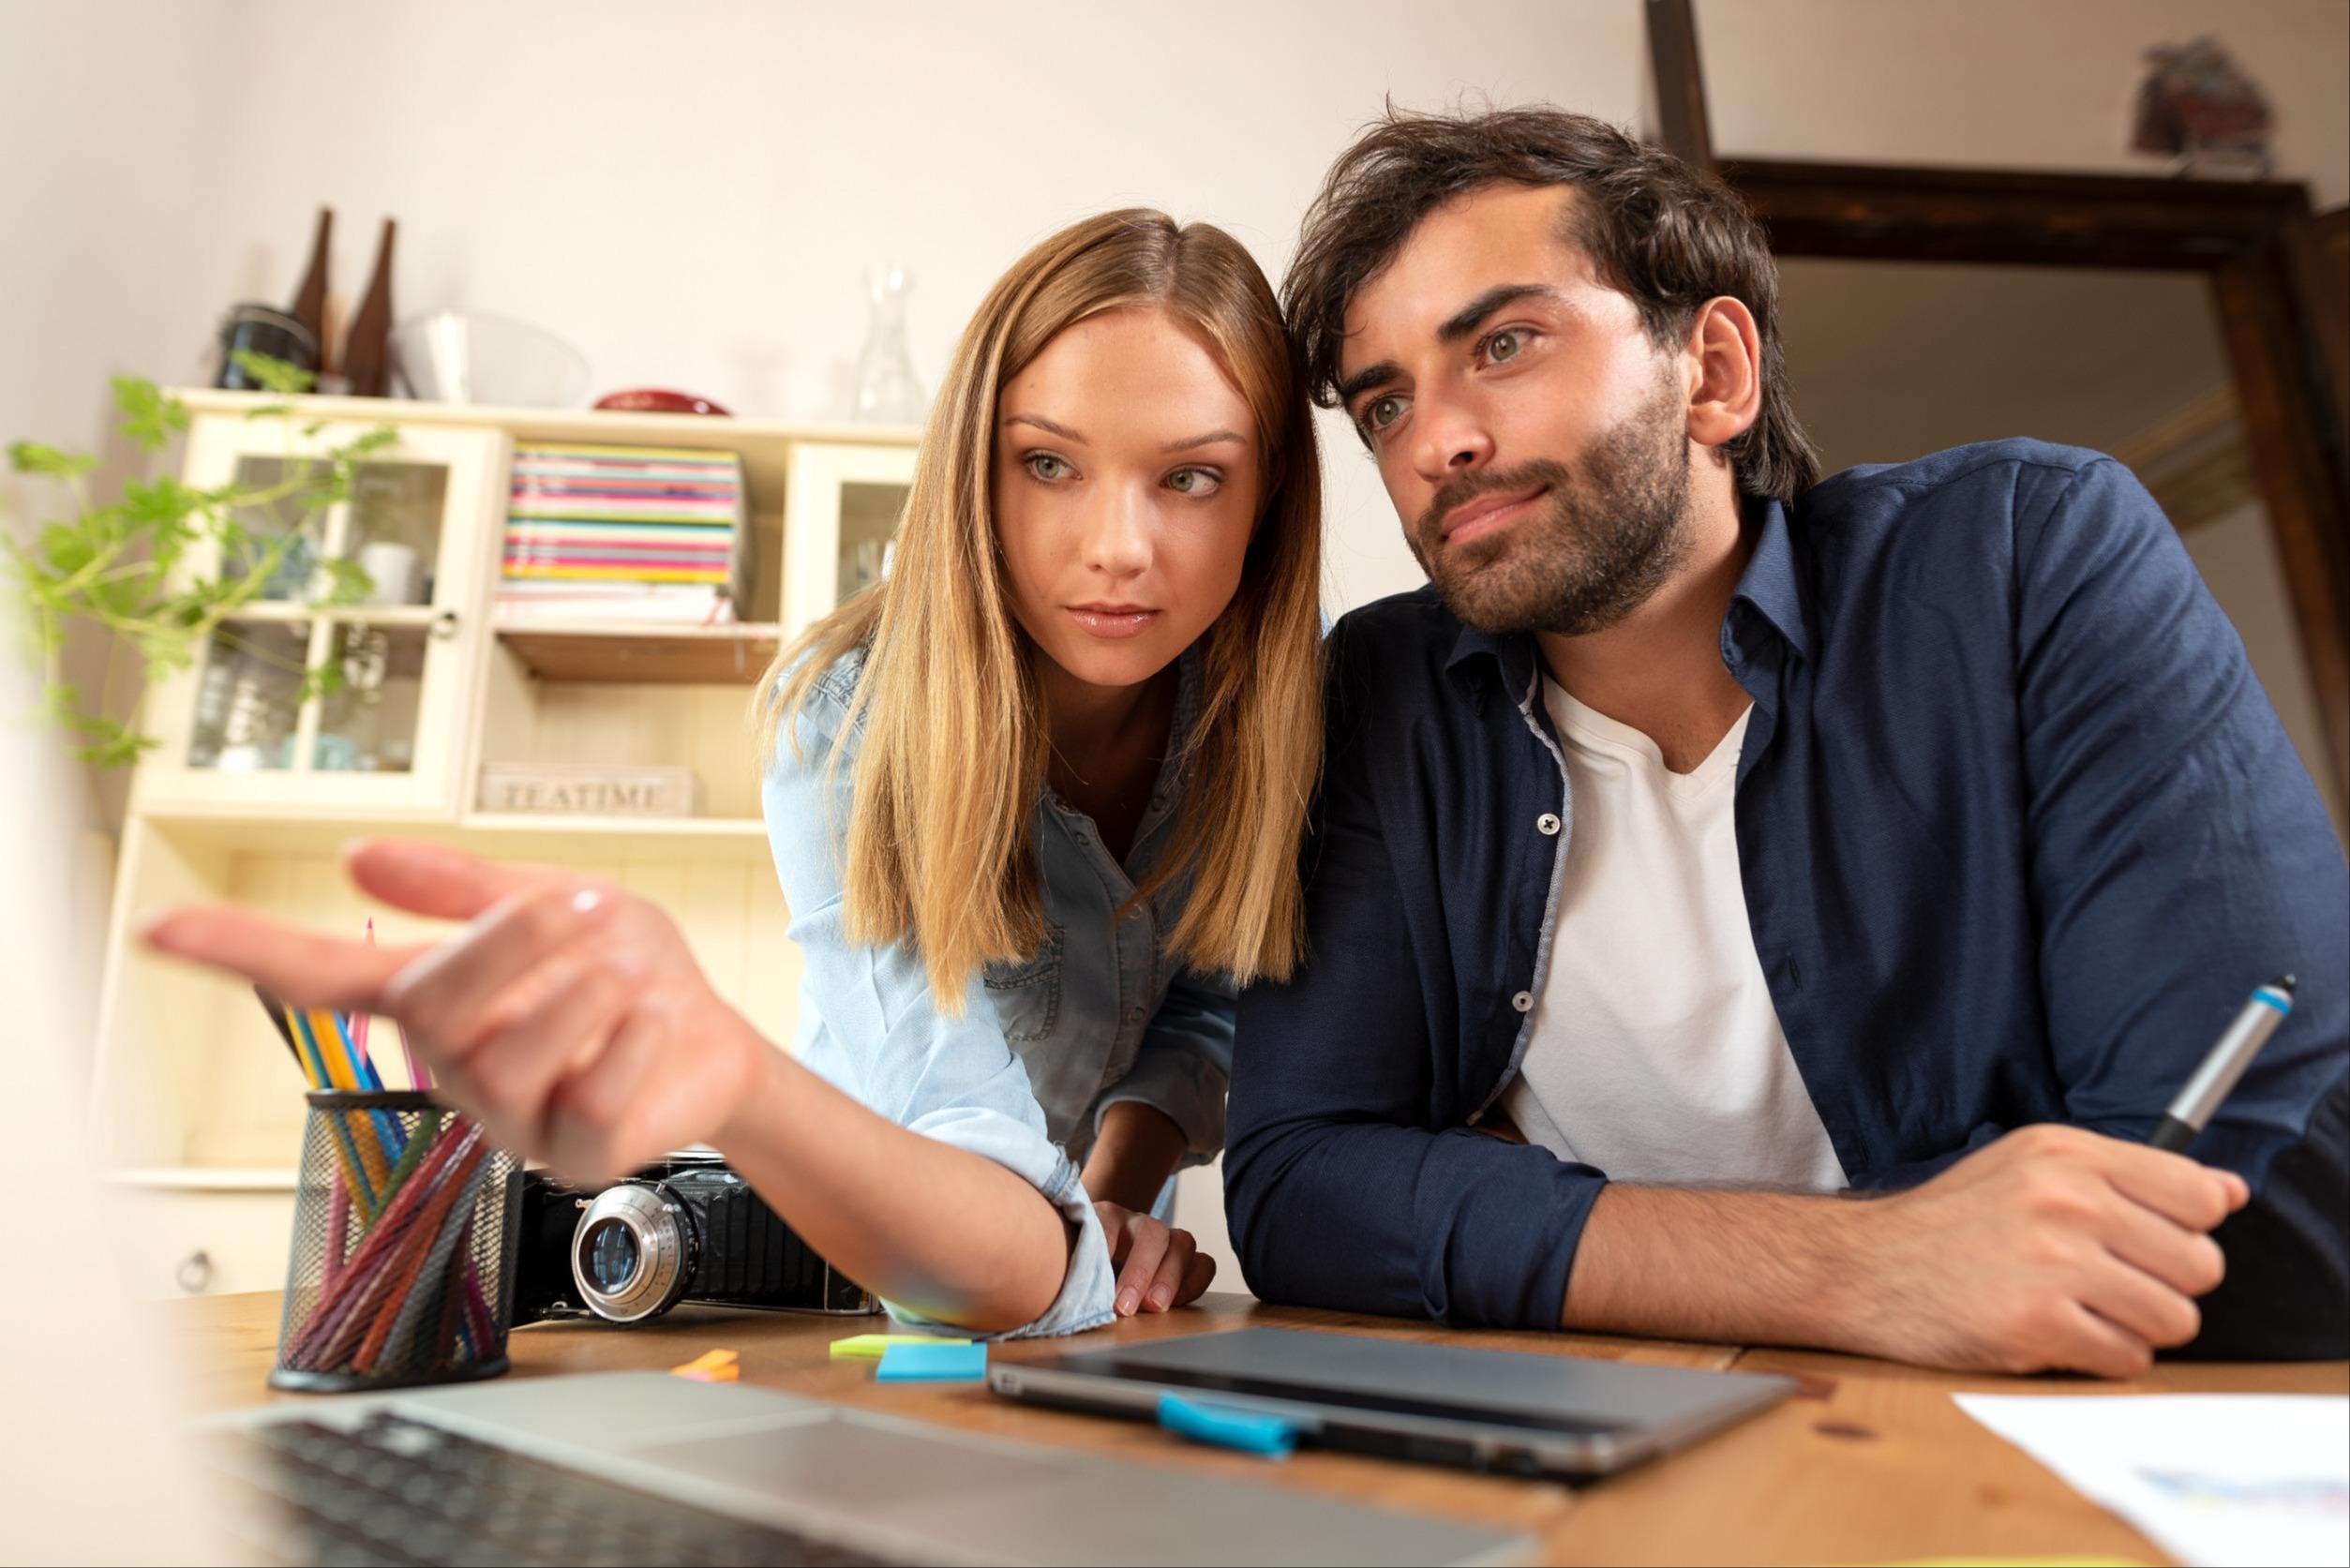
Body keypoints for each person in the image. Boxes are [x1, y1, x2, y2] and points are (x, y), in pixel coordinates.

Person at [1224, 105, 2349, 1375]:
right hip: (1673, 1434)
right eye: (1383, 405)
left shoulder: (2027, 552)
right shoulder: (1381, 696)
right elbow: (1301, 1181)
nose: (1436, 443)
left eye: (1504, 341)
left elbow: (2194, 1184)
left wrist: (1518, 1215)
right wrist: (1866, 1266)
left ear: (1712, 370)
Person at [148, 207, 1325, 1338]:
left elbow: (1205, 1004)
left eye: (1190, 477)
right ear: (971, 468)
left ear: (1266, 497)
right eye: (1047, 464)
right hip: (866, 1283)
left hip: (1110, 1298)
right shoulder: (845, 721)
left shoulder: (1271, 717)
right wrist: (735, 1078)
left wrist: (1112, 1196)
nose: (1117, 546)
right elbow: (976, 1193)